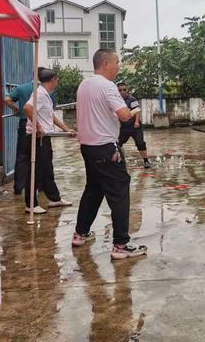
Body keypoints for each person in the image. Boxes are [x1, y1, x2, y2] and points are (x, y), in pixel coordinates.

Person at [72, 49, 148, 260]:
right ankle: (121, 244)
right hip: (106, 148)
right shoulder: (107, 86)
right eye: (116, 62)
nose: (118, 65)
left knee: (93, 190)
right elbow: (124, 116)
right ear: (105, 63)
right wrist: (133, 112)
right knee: (119, 192)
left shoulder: (84, 85)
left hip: (88, 147)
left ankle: (80, 233)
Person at [23, 69, 75, 214]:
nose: (57, 82)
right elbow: (27, 108)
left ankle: (55, 198)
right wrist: (38, 126)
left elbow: (50, 116)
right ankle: (31, 204)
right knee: (36, 171)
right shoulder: (39, 94)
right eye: (57, 80)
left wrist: (66, 129)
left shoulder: (45, 95)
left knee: (47, 169)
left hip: (44, 137)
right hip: (36, 137)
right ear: (53, 80)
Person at [4, 67, 45, 194]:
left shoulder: (22, 88)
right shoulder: (45, 90)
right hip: (40, 126)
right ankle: (39, 185)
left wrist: (15, 109)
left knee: (22, 155)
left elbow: (7, 99)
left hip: (23, 124)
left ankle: (18, 187)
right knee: (40, 155)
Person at [117, 82, 151, 169]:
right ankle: (121, 161)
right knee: (117, 144)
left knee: (140, 143)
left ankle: (146, 160)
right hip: (124, 127)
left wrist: (136, 122)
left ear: (127, 90)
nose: (123, 91)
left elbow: (137, 111)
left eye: (124, 89)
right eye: (120, 90)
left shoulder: (132, 99)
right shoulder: (117, 101)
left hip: (135, 127)